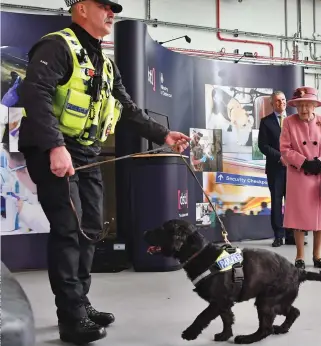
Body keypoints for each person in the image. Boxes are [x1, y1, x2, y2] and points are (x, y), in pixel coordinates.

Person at [16, 0, 190, 344]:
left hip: (87, 153)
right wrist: (54, 146)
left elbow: (128, 108)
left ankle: (79, 301)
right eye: (104, 6)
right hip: (55, 150)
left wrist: (163, 135)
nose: (112, 13)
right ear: (81, 8)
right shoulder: (57, 46)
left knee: (91, 228)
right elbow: (34, 94)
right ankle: (70, 317)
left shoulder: (105, 64)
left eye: (114, 8)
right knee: (68, 229)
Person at [280, 86, 321, 269]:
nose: (303, 109)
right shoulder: (289, 122)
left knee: (319, 220)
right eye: (300, 105)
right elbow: (285, 149)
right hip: (299, 176)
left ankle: (317, 255)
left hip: (318, 176)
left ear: (314, 106)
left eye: (307, 105)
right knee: (298, 218)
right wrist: (303, 162)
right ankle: (299, 257)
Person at [258, 91, 297, 247]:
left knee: (292, 203)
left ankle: (291, 235)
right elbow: (263, 145)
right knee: (276, 202)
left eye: (283, 100)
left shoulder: (294, 120)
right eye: (278, 101)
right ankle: (278, 236)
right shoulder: (265, 122)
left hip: (293, 169)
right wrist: (280, 157)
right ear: (272, 104)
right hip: (276, 168)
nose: (281, 103)